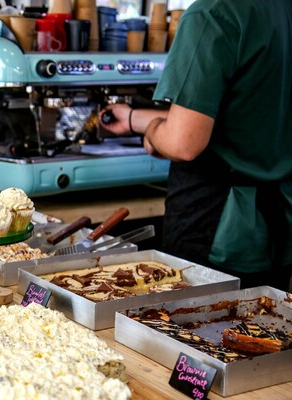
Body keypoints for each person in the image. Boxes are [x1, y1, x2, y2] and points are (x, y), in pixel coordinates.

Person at [100, 0, 292, 291]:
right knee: (258, 332)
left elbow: (183, 143)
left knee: (188, 332)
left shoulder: (214, 12)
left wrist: (153, 131)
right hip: (278, 229)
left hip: (217, 227)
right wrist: (132, 118)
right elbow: (239, 116)